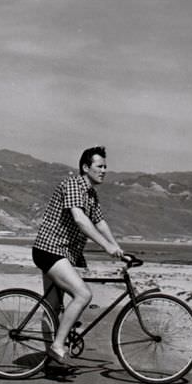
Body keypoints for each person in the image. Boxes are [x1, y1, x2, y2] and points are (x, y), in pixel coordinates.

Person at [32, 146, 123, 365]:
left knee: (52, 307)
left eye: (105, 167)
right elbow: (80, 220)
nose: (104, 170)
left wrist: (118, 249)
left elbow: (100, 222)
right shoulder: (73, 184)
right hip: (50, 249)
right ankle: (57, 346)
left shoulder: (91, 193)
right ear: (85, 167)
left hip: (63, 252)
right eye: (99, 166)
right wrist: (106, 247)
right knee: (82, 295)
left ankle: (51, 360)